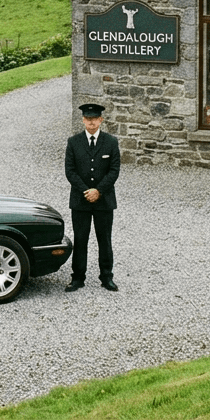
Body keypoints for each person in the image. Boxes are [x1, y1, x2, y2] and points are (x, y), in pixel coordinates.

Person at [64, 102, 120, 292]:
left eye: (95, 119)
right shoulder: (74, 142)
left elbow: (114, 171)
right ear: (83, 120)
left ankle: (107, 277)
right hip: (81, 200)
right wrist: (86, 191)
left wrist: (98, 191)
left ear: (101, 120)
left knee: (105, 239)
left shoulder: (111, 142)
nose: (91, 122)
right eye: (88, 119)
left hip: (104, 200)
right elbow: (70, 171)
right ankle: (78, 278)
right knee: (80, 239)